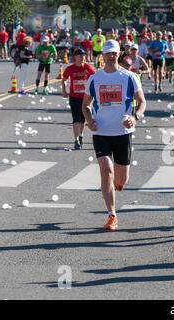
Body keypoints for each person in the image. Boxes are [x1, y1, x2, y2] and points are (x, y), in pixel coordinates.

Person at [82, 40, 147, 230]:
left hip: (123, 132)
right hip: (101, 132)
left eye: (114, 53)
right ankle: (112, 214)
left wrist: (135, 117)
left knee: (120, 179)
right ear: (103, 55)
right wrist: (90, 119)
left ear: (119, 54)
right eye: (108, 53)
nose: (111, 56)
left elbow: (142, 102)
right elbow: (86, 104)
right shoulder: (94, 79)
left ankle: (118, 185)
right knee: (106, 170)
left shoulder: (129, 77)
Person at [62, 48, 96, 150]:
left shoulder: (88, 68)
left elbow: (95, 79)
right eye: (80, 55)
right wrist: (64, 91)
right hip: (74, 97)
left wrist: (94, 91)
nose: (82, 57)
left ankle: (81, 135)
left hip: (86, 98)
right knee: (76, 119)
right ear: (75, 57)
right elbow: (64, 80)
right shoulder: (70, 68)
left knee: (82, 120)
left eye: (83, 55)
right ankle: (76, 140)